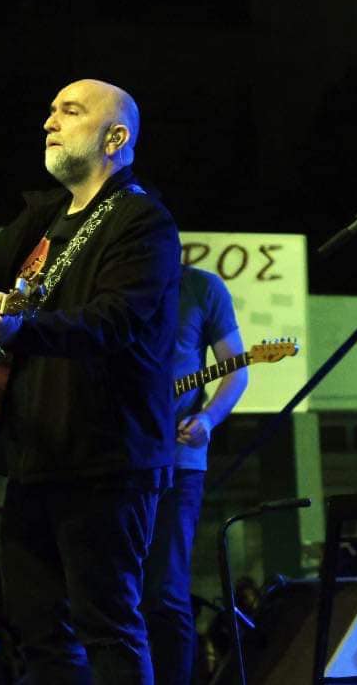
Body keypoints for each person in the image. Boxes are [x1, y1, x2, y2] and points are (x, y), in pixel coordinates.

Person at [0, 78, 182, 684]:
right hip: (35, 458)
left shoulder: (143, 221)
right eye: (51, 110)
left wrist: (22, 330)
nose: (49, 122)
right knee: (38, 630)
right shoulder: (44, 216)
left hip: (107, 460)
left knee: (107, 626)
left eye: (69, 111)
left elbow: (113, 321)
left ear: (115, 137)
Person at [142, 265, 248, 683]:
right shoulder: (114, 282)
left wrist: (208, 418)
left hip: (178, 463)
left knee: (165, 591)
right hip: (113, 460)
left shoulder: (202, 287)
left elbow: (237, 370)